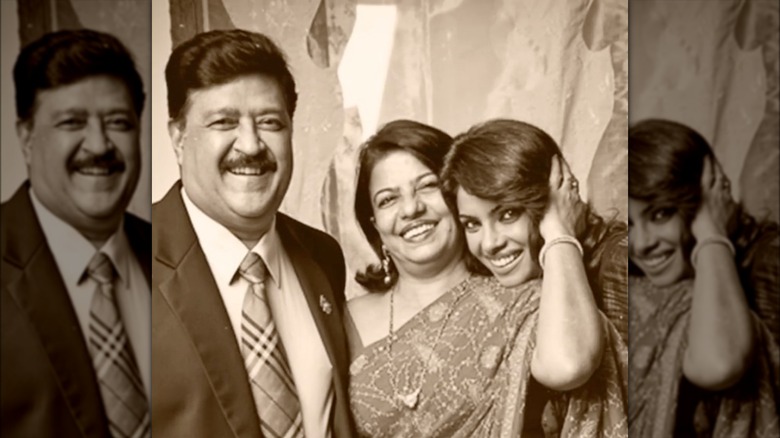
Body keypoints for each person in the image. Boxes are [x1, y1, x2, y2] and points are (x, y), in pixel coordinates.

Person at [347, 119, 626, 437]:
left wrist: (555, 227)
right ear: (374, 224)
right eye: (388, 199)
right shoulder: (340, 320)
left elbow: (568, 365)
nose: (411, 208)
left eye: (427, 186)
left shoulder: (528, 298)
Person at [152, 29, 355, 437]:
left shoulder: (322, 255)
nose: (250, 144)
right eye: (224, 122)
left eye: (269, 122)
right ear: (178, 139)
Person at [1, 29, 150, 437]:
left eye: (118, 122)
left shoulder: (165, 253)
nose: (99, 145)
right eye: (72, 122)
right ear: (27, 139)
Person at [628, 119, 779, 436]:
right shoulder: (637, 282)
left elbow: (719, 364)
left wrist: (711, 234)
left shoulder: (768, 263)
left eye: (660, 213)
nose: (641, 243)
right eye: (629, 223)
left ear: (705, 199)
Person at [442, 118, 629, 344]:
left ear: (556, 197)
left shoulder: (621, 263)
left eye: (508, 214)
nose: (490, 243)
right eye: (472, 224)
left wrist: (558, 231)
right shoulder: (486, 290)